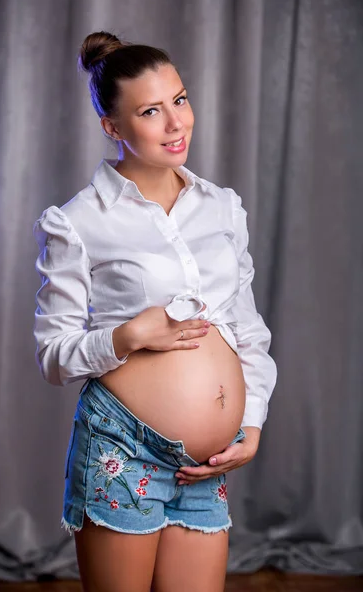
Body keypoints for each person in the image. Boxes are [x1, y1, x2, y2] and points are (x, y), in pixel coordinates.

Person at [33, 30, 277, 592]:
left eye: (181, 100)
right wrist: (128, 335)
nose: (176, 124)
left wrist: (252, 420)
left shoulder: (222, 207)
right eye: (151, 111)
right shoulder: (76, 221)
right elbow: (53, 357)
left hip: (207, 463)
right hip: (123, 447)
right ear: (112, 127)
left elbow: (246, 327)